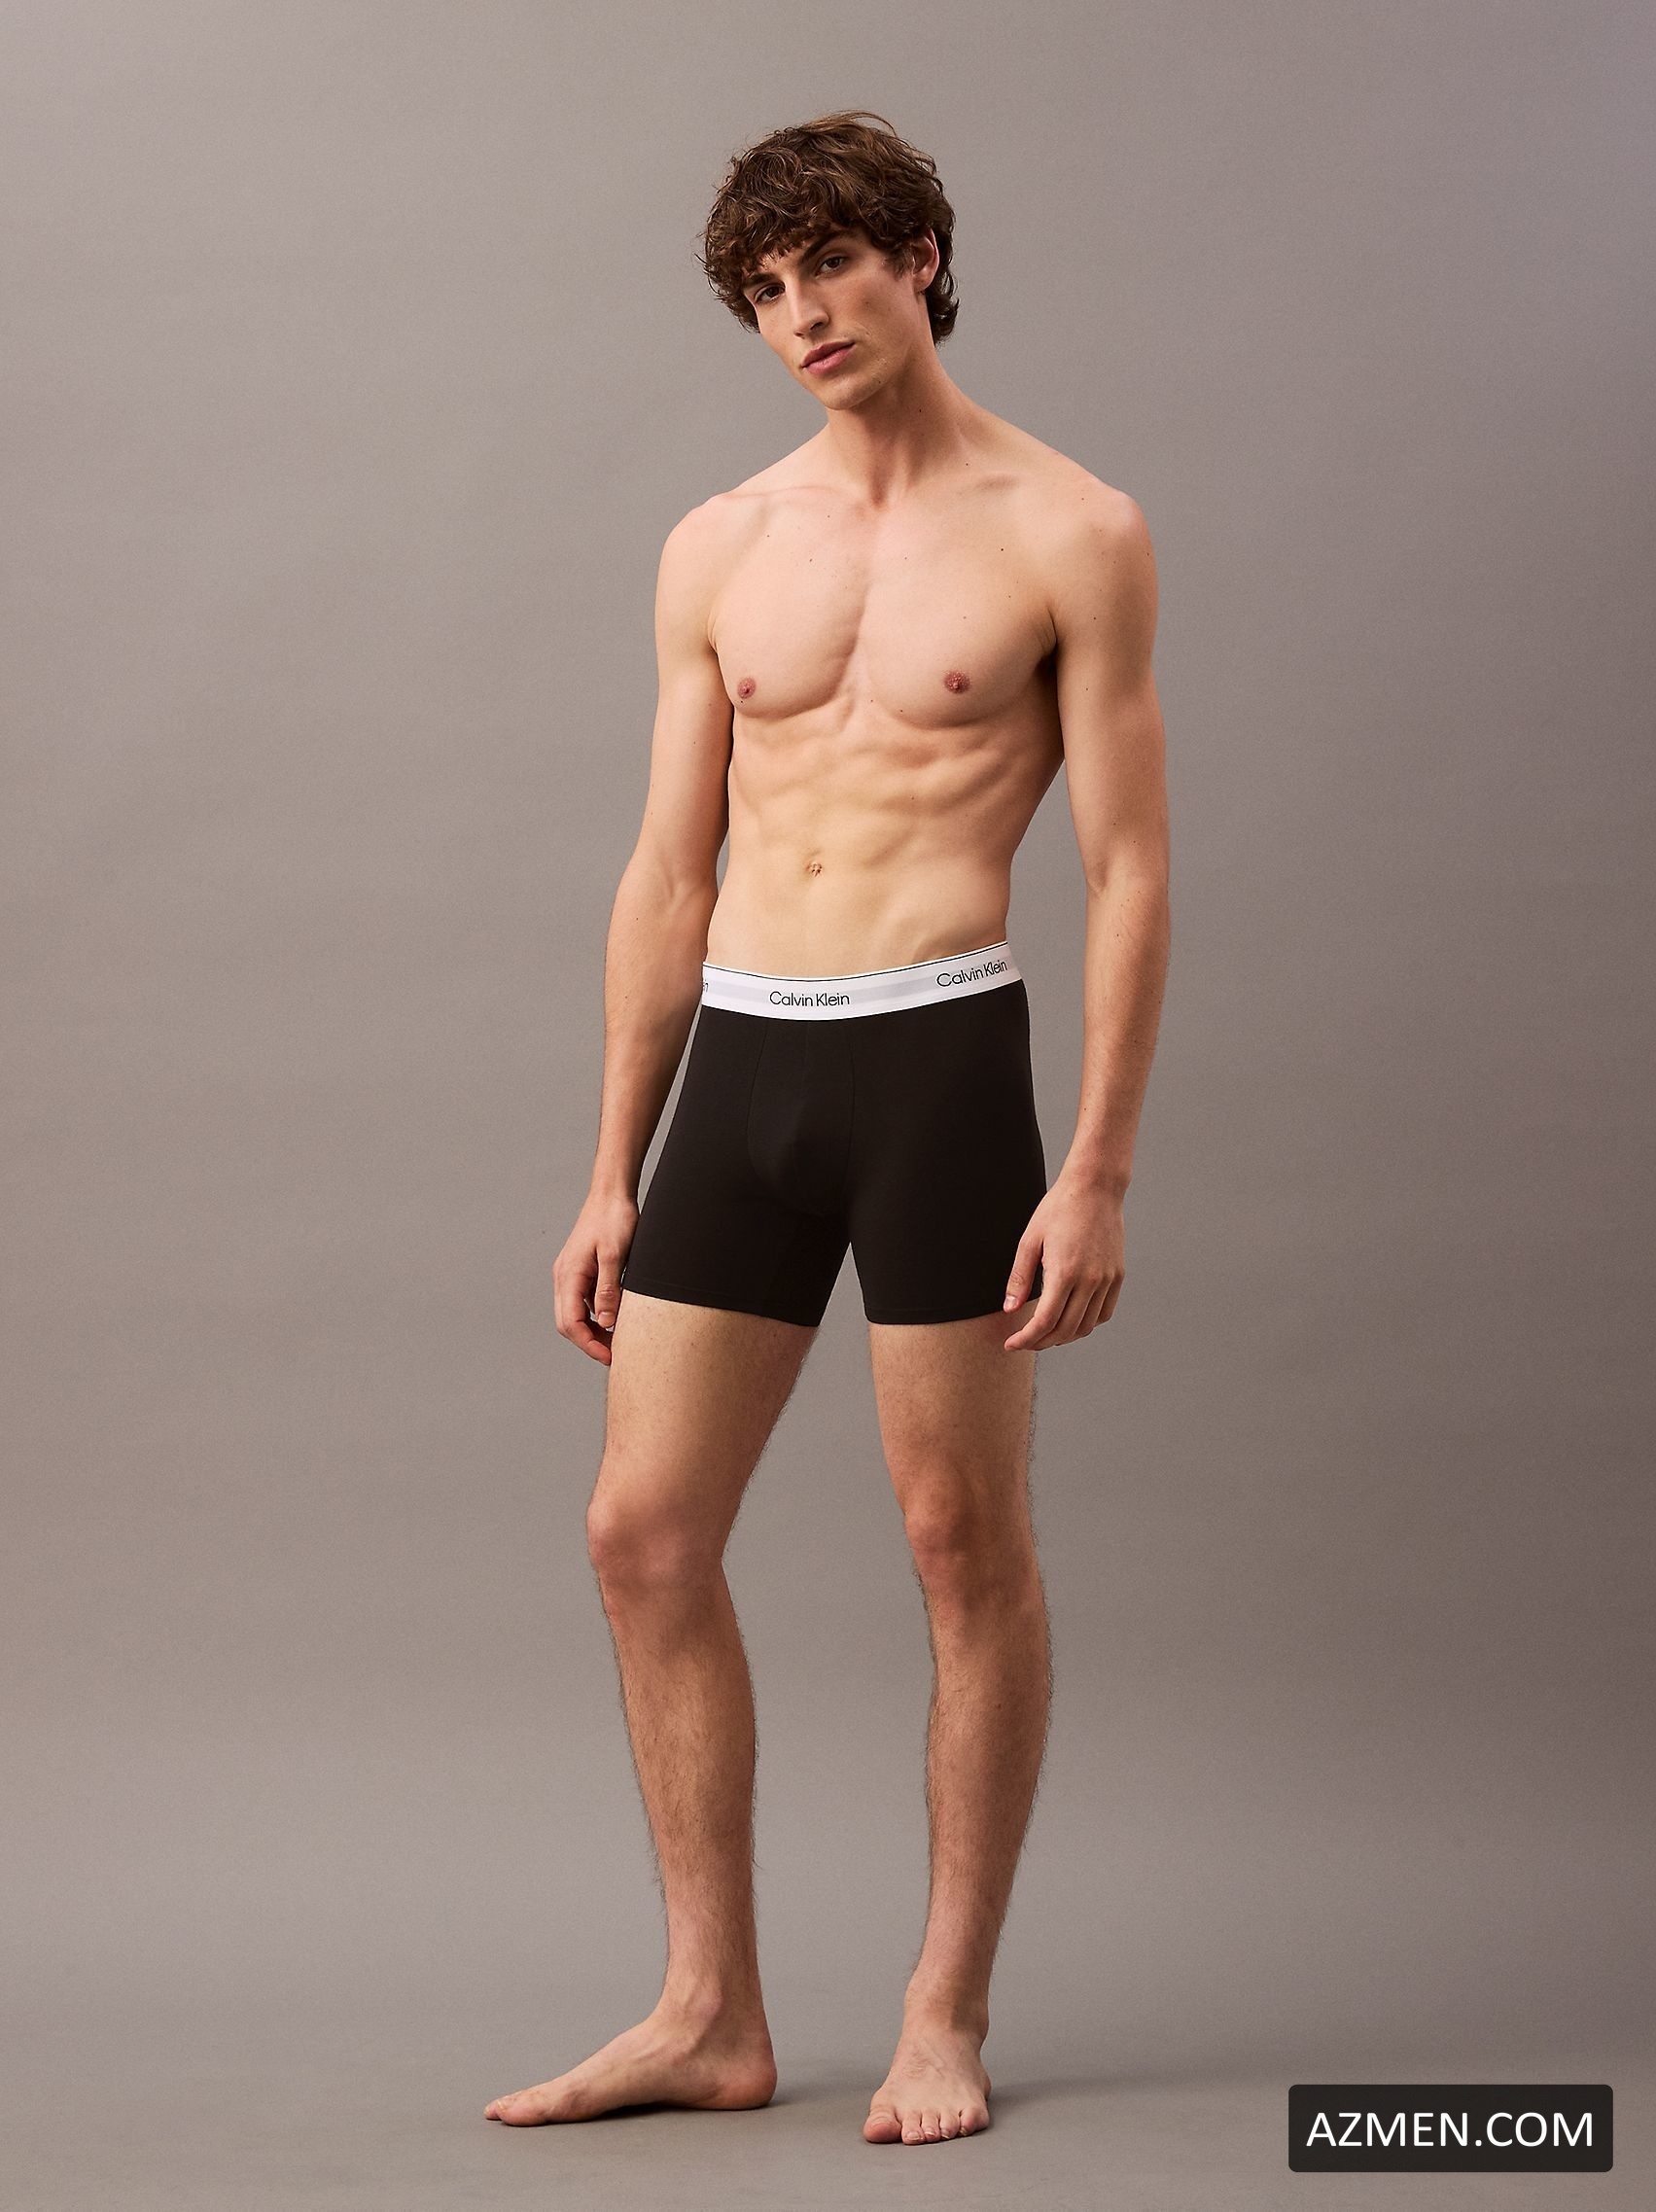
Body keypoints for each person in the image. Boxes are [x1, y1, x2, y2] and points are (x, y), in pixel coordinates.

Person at [485, 110, 1170, 2148]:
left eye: (836, 267)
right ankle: (709, 2009)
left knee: (962, 1542)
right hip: (747, 1063)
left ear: (921, 258)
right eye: (768, 290)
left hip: (939, 1064)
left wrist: (1099, 1167)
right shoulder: (721, 542)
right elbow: (667, 873)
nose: (804, 314)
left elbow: (1128, 868)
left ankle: (943, 2009)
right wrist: (610, 1164)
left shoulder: (1074, 529)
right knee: (640, 1533)